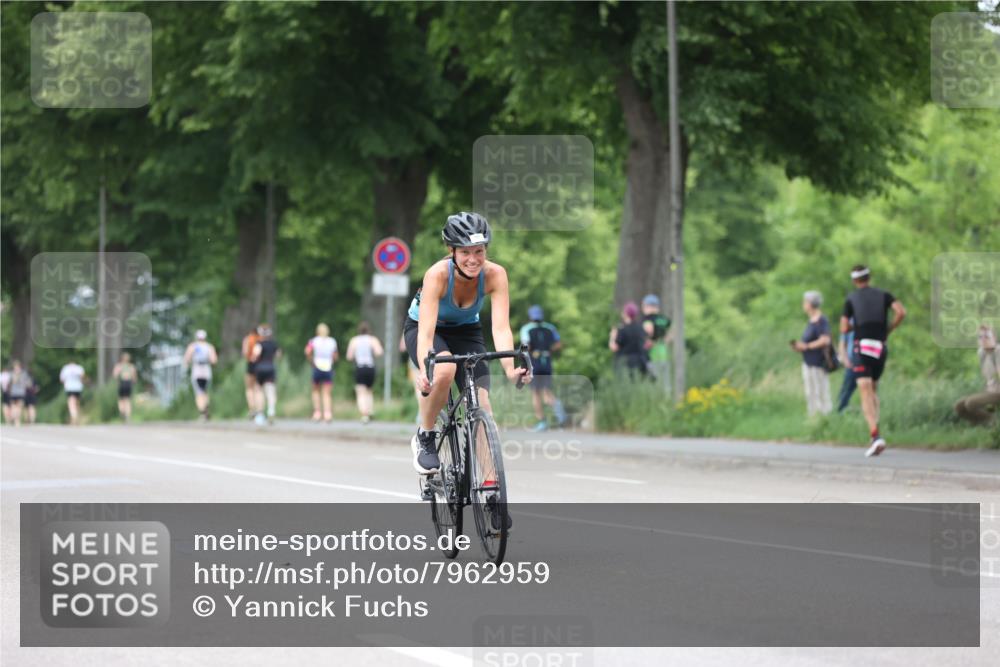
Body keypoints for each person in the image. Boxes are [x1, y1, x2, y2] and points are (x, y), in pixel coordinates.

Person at [403, 211, 530, 483]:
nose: (473, 259)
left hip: (466, 330)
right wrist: (426, 368)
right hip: (427, 328)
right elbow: (426, 332)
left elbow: (500, 328)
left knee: (482, 402)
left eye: (479, 251)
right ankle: (426, 435)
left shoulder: (496, 274)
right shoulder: (437, 275)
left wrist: (510, 370)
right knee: (445, 369)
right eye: (465, 252)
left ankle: (491, 486)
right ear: (452, 251)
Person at [838, 265, 906, 457]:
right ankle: (876, 433)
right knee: (873, 389)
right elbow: (901, 312)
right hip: (880, 346)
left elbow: (844, 327)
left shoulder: (851, 299)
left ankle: (876, 436)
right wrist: (887, 329)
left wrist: (857, 328)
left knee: (865, 390)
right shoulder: (884, 295)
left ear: (854, 281)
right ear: (869, 277)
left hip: (862, 347)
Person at [519, 305, 567, 431]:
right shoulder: (550, 328)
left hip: (534, 363)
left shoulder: (526, 329)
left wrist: (523, 356)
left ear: (531, 316)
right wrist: (548, 349)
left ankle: (542, 421)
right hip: (547, 363)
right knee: (546, 392)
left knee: (535, 393)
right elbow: (558, 344)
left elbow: (525, 347)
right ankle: (559, 411)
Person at [791, 291, 832, 416]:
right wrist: (800, 347)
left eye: (805, 302)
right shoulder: (811, 321)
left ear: (810, 304)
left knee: (821, 392)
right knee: (811, 393)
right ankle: (813, 418)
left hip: (818, 362)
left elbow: (825, 339)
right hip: (808, 362)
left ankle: (825, 417)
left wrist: (807, 346)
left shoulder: (821, 320)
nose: (803, 304)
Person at [954, 323, 1000, 425]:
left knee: (971, 403)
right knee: (959, 406)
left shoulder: (998, 351)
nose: (983, 339)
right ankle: (984, 425)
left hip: (998, 392)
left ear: (994, 338)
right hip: (990, 391)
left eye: (987, 336)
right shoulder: (982, 353)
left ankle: (995, 423)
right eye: (980, 337)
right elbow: (987, 377)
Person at [346, 322, 384, 424]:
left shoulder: (354, 340)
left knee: (360, 391)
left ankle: (364, 414)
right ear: (368, 330)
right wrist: (372, 354)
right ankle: (370, 410)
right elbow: (379, 352)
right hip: (370, 367)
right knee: (369, 390)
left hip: (360, 367)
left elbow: (349, 356)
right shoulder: (372, 339)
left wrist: (356, 356)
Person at [305, 323, 338, 422]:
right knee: (327, 393)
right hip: (328, 367)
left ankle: (317, 413)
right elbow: (335, 356)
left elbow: (307, 351)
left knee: (315, 391)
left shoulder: (314, 340)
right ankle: (327, 414)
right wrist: (332, 362)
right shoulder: (332, 341)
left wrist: (311, 361)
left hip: (317, 367)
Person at [183, 329, 218, 421]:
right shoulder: (209, 347)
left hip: (197, 370)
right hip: (206, 370)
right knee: (205, 391)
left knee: (199, 392)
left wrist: (188, 364)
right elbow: (214, 360)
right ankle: (205, 408)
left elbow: (187, 358)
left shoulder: (193, 346)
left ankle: (202, 412)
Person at [609, 302, 649, 378]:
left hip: (624, 363)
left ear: (626, 314)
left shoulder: (622, 329)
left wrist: (612, 336)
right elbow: (646, 345)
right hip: (639, 363)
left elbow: (614, 347)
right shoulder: (640, 328)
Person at [641, 294, 672, 390]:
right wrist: (664, 341)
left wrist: (648, 342)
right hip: (663, 352)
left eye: (644, 306)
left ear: (647, 306)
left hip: (652, 354)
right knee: (666, 383)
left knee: (653, 384)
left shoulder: (647, 320)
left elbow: (649, 331)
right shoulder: (663, 319)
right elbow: (669, 335)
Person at [251, 324, 281, 425]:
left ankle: (260, 414)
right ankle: (271, 410)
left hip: (260, 368)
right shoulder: (274, 344)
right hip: (271, 367)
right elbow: (278, 355)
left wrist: (254, 359)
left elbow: (255, 355)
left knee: (259, 391)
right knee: (270, 390)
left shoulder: (259, 344)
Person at [836, 318, 859, 412]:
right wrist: (845, 360)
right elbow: (842, 343)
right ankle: (839, 412)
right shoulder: (849, 320)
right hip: (851, 362)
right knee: (845, 391)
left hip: (867, 361)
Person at [241, 326, 262, 419]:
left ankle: (251, 409)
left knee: (249, 388)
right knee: (258, 389)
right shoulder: (261, 339)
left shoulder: (248, 339)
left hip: (251, 364)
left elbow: (245, 352)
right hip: (260, 365)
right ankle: (259, 409)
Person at [59, 359, 86, 425]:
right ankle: (76, 417)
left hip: (69, 387)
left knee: (71, 403)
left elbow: (61, 380)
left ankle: (74, 416)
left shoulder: (66, 368)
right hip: (78, 387)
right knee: (77, 403)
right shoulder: (79, 368)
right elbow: (82, 377)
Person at [112, 352, 138, 422]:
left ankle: (122, 412)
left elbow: (115, 375)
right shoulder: (131, 366)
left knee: (121, 400)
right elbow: (134, 378)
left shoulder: (119, 366)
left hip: (122, 383)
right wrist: (133, 383)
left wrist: (117, 381)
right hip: (128, 383)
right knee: (127, 400)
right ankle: (128, 416)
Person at [7, 360, 32, 427]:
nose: (16, 368)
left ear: (20, 367)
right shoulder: (11, 373)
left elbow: (28, 383)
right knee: (13, 407)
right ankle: (14, 418)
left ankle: (17, 420)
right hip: (13, 393)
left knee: (19, 407)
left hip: (21, 392)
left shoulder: (24, 374)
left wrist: (26, 384)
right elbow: (11, 382)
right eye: (15, 367)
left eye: (18, 367)